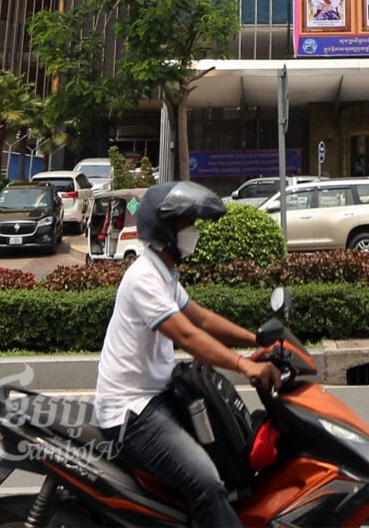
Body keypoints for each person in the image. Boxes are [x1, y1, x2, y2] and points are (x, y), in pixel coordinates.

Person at [94, 181, 280, 527]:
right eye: (186, 223)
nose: (193, 230)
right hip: (131, 413)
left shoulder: (164, 272)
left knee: (232, 454)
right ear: (164, 229)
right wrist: (243, 365)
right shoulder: (144, 277)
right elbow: (187, 335)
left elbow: (201, 319)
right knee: (207, 484)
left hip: (158, 399)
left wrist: (258, 340)